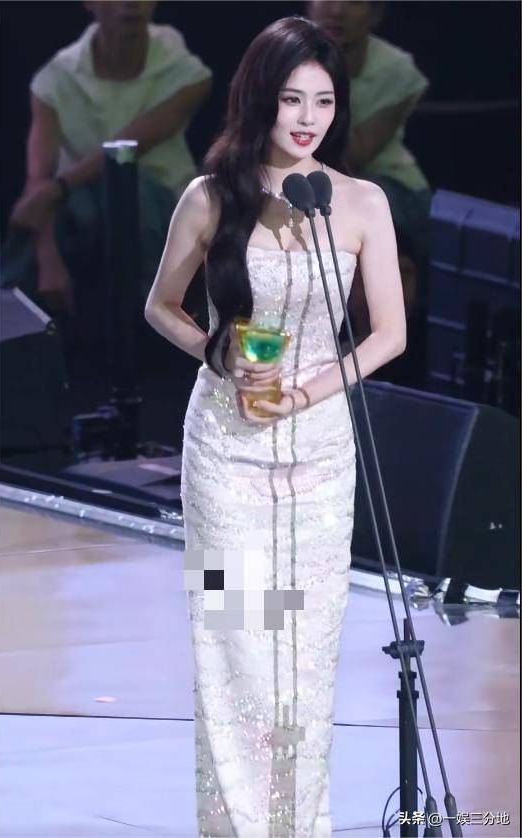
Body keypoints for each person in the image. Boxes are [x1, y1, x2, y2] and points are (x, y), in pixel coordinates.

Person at [145, 15, 406, 836]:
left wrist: (309, 392)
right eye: (293, 98)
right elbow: (160, 306)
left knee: (304, 655)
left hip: (321, 459)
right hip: (224, 456)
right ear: (261, 96)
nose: (307, 118)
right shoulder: (210, 195)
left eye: (323, 101)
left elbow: (389, 335)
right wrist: (217, 352)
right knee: (236, 647)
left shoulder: (358, 203)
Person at [0, 0, 212, 318]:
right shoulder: (55, 79)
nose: (131, 3)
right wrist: (48, 258)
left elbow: (126, 149)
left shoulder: (184, 72)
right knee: (57, 221)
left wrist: (57, 188)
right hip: (80, 210)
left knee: (129, 192)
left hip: (160, 207)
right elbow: (37, 186)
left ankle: (154, 321)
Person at [309, 1, 431, 386]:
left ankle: (369, 354)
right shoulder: (284, 56)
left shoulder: (396, 70)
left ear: (376, 14)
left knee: (358, 218)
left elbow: (351, 155)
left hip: (385, 184)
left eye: (354, 1)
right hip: (308, 179)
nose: (337, 11)